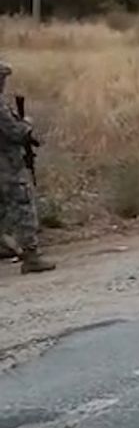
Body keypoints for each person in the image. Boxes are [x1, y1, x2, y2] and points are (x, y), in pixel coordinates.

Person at [0, 61, 55, 274]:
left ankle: (4, 245)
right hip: (7, 166)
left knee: (3, 207)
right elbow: (15, 132)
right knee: (23, 205)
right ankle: (31, 255)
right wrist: (27, 124)